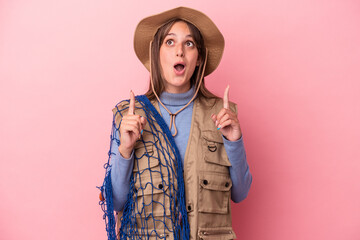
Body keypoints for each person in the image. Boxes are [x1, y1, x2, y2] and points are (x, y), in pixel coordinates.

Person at [99, 6, 252, 240]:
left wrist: (235, 141)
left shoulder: (222, 114)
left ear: (199, 57)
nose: (179, 51)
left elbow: (240, 194)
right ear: (156, 54)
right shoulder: (128, 115)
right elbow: (117, 201)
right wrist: (126, 149)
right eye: (170, 42)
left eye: (189, 44)